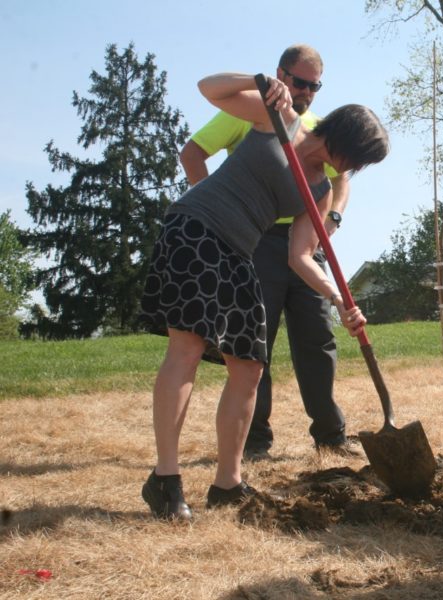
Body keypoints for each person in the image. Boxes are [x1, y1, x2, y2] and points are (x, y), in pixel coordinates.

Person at [139, 71, 389, 520]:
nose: (352, 168)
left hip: (240, 252)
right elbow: (207, 89)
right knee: (188, 347)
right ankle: (165, 480)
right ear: (343, 135)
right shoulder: (279, 117)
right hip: (196, 229)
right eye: (356, 157)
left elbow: (301, 257)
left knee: (250, 367)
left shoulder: (321, 189)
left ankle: (227, 484)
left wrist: (339, 300)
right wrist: (256, 78)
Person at [179, 44, 356, 460]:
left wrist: (334, 219)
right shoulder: (255, 111)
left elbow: (341, 180)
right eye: (300, 82)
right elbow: (192, 154)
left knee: (318, 336)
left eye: (315, 86)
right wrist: (218, 212)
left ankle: (331, 436)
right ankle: (254, 441)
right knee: (254, 343)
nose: (308, 93)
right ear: (281, 74)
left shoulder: (316, 128)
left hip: (303, 243)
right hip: (254, 241)